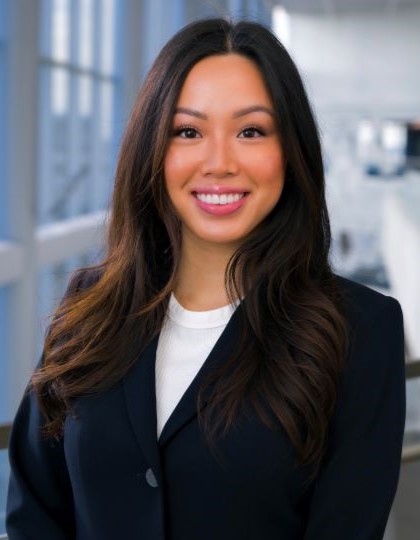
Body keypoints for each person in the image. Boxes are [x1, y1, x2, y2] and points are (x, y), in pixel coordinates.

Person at [6, 18, 405, 540]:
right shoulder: (91, 305)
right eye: (188, 132)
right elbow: (34, 510)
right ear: (153, 148)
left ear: (291, 151)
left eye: (250, 131)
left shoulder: (362, 331)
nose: (219, 163)